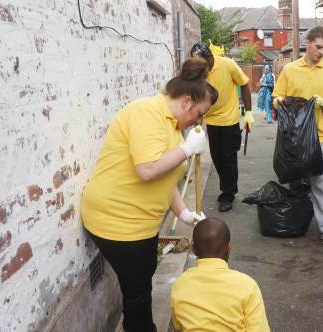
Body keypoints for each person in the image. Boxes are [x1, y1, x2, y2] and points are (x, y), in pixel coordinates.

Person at [81, 58, 218, 332]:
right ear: (187, 101)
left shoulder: (172, 124)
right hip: (117, 221)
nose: (199, 121)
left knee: (141, 281)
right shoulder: (146, 113)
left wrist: (183, 212)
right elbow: (147, 170)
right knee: (139, 293)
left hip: (140, 222)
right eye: (199, 113)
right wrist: (187, 150)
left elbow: (165, 177)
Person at [273, 26, 323, 247]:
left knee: (322, 184)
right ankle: (295, 222)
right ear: (308, 42)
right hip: (293, 137)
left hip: (320, 137)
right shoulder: (290, 69)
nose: (321, 52)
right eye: (318, 46)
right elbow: (277, 96)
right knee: (294, 181)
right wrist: (279, 103)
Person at [170, 217, 270, 331]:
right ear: (228, 249)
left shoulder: (181, 284)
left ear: (193, 249)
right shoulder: (247, 285)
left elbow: (179, 325)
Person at [190, 43, 253, 213]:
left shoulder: (227, 65)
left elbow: (244, 84)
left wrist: (248, 112)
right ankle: (227, 186)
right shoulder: (199, 73)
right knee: (217, 158)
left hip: (229, 120)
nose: (201, 68)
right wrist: (197, 118)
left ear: (210, 58)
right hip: (211, 121)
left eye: (203, 64)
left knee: (228, 158)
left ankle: (228, 194)